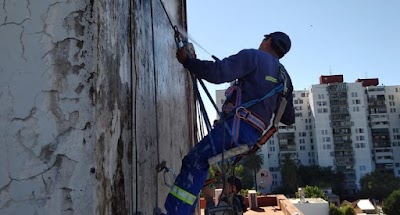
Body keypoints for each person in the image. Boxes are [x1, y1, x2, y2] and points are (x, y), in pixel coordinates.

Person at [164, 31, 295, 215]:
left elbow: (218, 73)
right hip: (250, 139)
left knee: (195, 161)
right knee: (201, 163)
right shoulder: (285, 78)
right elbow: (288, 118)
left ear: (268, 40)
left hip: (233, 129)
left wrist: (188, 61)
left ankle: (176, 213)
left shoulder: (254, 57)